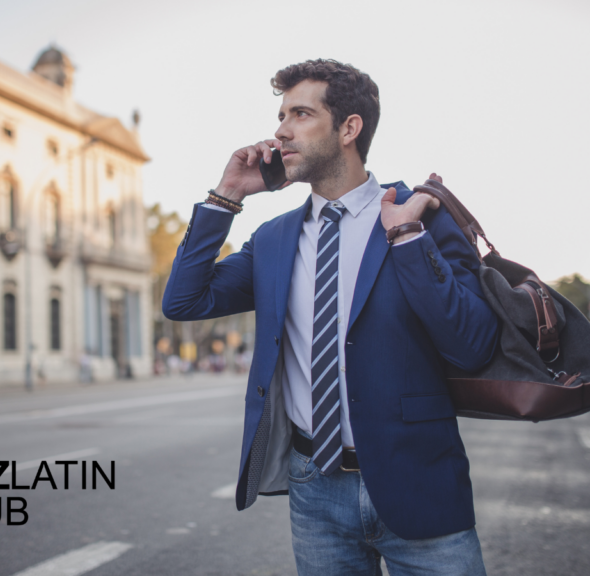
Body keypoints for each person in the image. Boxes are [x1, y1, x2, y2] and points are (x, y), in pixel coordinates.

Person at [162, 59, 499, 575]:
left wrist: (407, 240)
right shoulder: (274, 240)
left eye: (300, 113)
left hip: (419, 480)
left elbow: (472, 345)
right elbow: (184, 301)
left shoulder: (423, 214)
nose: (280, 130)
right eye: (281, 115)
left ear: (349, 128)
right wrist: (226, 195)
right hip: (314, 490)